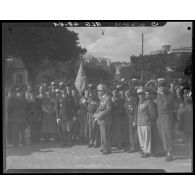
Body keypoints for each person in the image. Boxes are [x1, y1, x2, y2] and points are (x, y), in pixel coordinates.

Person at [156, 80, 174, 161]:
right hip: (160, 117)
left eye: (162, 86)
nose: (160, 88)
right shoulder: (158, 95)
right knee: (162, 134)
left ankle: (169, 152)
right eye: (159, 86)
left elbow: (166, 106)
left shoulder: (169, 95)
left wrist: (162, 94)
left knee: (168, 134)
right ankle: (165, 150)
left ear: (165, 87)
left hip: (167, 116)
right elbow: (158, 106)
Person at [134, 87, 153, 158]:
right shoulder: (138, 102)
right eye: (139, 94)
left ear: (144, 94)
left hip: (146, 122)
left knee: (147, 138)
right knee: (141, 138)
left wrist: (151, 121)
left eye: (142, 94)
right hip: (140, 122)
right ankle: (143, 149)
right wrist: (136, 121)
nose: (140, 95)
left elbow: (152, 113)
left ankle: (147, 151)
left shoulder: (148, 102)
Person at [94, 84, 112, 154]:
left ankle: (106, 149)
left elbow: (108, 109)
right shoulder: (102, 98)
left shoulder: (108, 98)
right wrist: (96, 113)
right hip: (101, 119)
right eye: (98, 91)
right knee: (102, 134)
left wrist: (100, 115)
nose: (98, 92)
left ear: (104, 91)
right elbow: (99, 107)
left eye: (100, 91)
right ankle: (104, 147)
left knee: (105, 134)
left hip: (105, 119)